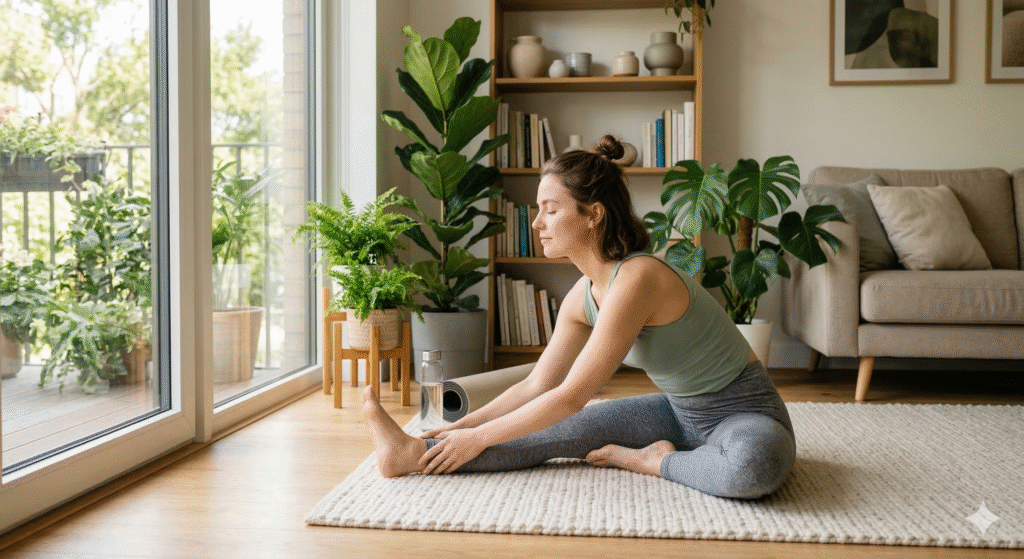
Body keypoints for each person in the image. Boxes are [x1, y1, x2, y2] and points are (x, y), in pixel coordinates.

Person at [362, 135, 796, 499]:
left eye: (551, 209)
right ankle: (410, 454)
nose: (536, 224)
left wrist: (477, 437)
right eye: (538, 210)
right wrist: (457, 429)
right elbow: (538, 386)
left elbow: (572, 394)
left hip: (744, 418)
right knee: (548, 433)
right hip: (677, 413)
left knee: (751, 469)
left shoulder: (638, 277)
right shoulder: (581, 297)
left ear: (593, 215)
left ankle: (653, 460)